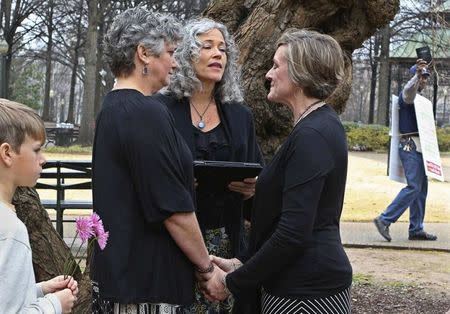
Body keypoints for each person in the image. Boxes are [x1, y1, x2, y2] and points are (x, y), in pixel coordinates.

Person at [200, 29, 352, 314]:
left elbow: (293, 233)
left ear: (299, 72)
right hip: (296, 284)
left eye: (276, 65)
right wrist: (242, 261)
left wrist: (233, 282)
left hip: (306, 293)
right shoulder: (313, 127)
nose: (268, 74)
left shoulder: (313, 135)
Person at [91, 7, 217, 314]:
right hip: (148, 287)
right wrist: (207, 269)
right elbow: (172, 210)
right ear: (144, 53)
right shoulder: (145, 113)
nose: (175, 63)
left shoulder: (112, 109)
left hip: (121, 280)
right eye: (171, 52)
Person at [156, 18, 263, 313]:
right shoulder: (160, 110)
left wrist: (254, 188)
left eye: (223, 49)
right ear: (186, 55)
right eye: (207, 46)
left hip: (227, 240)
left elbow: (257, 171)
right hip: (174, 240)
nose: (218, 54)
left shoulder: (240, 116)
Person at [0, 99, 78, 314]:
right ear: (7, 153)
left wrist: (40, 290)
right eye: (36, 150)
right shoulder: (10, 230)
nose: (43, 159)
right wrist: (55, 305)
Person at [374, 59, 437, 242]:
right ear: (414, 77)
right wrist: (416, 76)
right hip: (410, 146)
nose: (424, 80)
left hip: (420, 147)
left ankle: (416, 229)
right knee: (414, 187)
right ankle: (384, 219)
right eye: (421, 77)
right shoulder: (407, 95)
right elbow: (409, 91)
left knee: (421, 189)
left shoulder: (421, 101)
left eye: (425, 77)